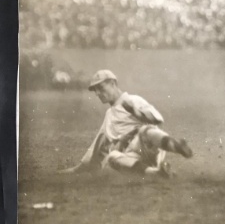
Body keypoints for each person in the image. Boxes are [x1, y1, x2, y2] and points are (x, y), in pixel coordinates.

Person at [59, 69, 193, 178]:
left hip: (151, 147)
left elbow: (157, 120)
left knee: (145, 131)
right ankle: (158, 173)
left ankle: (178, 147)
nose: (98, 93)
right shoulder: (109, 116)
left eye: (100, 87)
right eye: (95, 90)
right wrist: (76, 169)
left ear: (113, 83)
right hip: (132, 158)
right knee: (112, 157)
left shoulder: (133, 100)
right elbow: (96, 152)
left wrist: (135, 112)